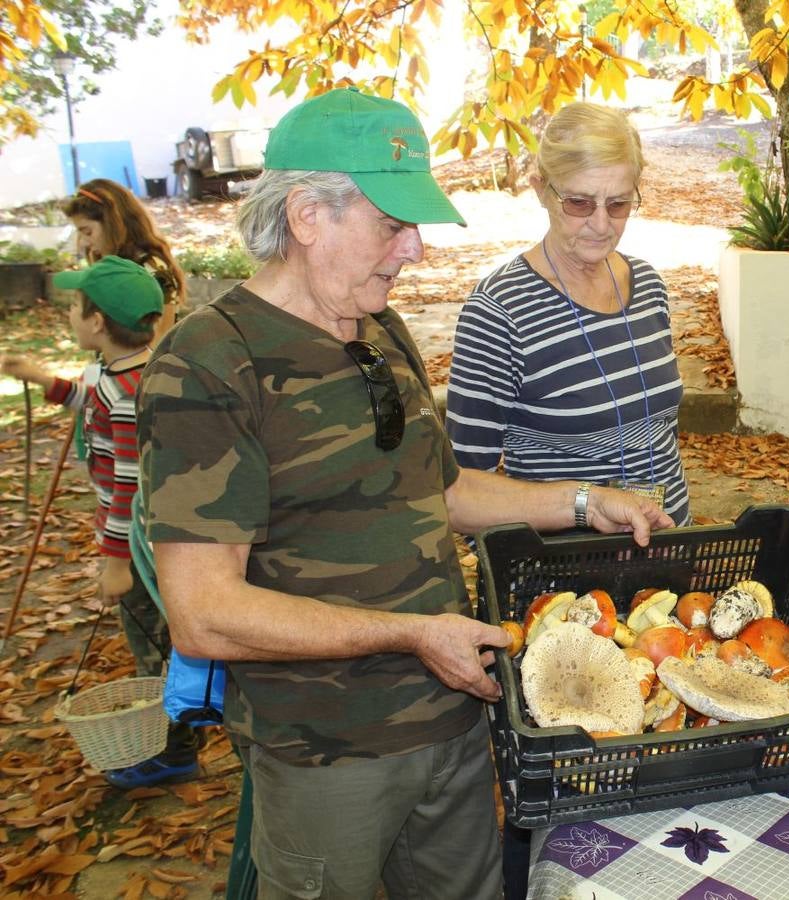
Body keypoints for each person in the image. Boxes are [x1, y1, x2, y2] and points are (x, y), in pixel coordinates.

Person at [136, 87, 673, 900]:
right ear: (309, 215)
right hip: (331, 752)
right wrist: (408, 635)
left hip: (453, 716)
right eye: (393, 226)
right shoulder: (210, 363)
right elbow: (203, 611)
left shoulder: (378, 330)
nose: (416, 249)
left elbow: (444, 490)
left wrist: (579, 501)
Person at [2, 256, 201, 786]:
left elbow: (129, 492)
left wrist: (116, 563)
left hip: (142, 548)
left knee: (156, 649)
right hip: (146, 542)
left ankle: (172, 747)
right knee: (162, 644)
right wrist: (42, 379)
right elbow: (84, 398)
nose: (68, 312)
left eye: (73, 305)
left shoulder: (124, 392)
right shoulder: (128, 373)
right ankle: (175, 736)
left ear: (95, 324)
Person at [447, 102, 692, 526]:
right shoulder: (499, 312)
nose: (601, 224)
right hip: (564, 577)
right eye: (579, 203)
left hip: (667, 554)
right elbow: (460, 490)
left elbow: (658, 434)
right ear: (541, 189)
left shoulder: (648, 285)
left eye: (618, 204)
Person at [62, 178, 187, 344]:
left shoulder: (153, 271)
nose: (84, 242)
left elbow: (158, 343)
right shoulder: (111, 266)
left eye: (87, 231)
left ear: (113, 224)